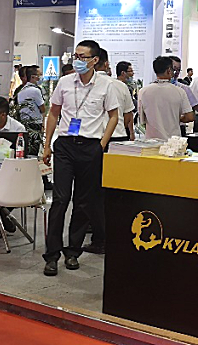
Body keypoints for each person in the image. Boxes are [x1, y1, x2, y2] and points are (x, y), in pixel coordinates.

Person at [41, 40, 123, 271]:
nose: (78, 61)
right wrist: (47, 145)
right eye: (76, 56)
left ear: (95, 60)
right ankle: (51, 255)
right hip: (65, 146)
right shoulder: (65, 82)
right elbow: (53, 113)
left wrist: (101, 145)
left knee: (83, 202)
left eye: (82, 57)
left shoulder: (106, 85)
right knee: (60, 199)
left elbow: (114, 116)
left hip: (90, 147)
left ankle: (73, 251)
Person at [137, 56, 193, 141]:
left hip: (151, 142)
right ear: (169, 71)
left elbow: (142, 120)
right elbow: (190, 117)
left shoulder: (143, 91)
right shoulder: (179, 91)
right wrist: (176, 118)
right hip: (173, 142)